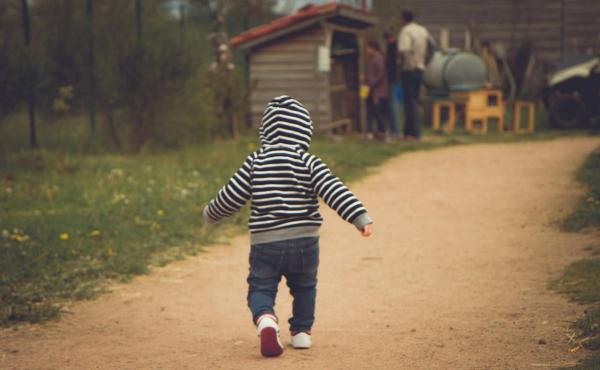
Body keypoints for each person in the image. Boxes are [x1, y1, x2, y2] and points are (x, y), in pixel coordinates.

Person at [203, 95, 373, 357]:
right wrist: (359, 217)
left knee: (261, 287)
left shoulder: (256, 161)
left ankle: (266, 320)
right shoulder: (308, 161)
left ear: (265, 130)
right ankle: (302, 332)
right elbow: (334, 189)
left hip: (266, 243)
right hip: (305, 241)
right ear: (304, 130)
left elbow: (231, 194)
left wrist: (211, 213)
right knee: (305, 286)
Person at [397, 10, 430, 141]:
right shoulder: (422, 30)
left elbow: (403, 50)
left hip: (409, 69)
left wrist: (401, 66)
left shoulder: (405, 31)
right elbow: (431, 47)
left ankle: (414, 133)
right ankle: (408, 132)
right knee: (414, 100)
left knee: (409, 102)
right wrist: (424, 62)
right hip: (420, 67)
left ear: (403, 19)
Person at [365, 39, 390, 141]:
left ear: (372, 48)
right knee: (372, 112)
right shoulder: (373, 59)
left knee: (378, 113)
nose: (366, 50)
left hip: (378, 92)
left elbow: (380, 74)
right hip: (374, 91)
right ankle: (374, 133)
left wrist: (372, 83)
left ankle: (384, 132)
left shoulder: (378, 59)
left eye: (367, 48)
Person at [384, 28, 402, 138]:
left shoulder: (392, 46)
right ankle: (393, 129)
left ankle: (395, 130)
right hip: (393, 78)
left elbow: (391, 64)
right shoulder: (395, 45)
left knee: (392, 105)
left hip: (391, 79)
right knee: (392, 104)